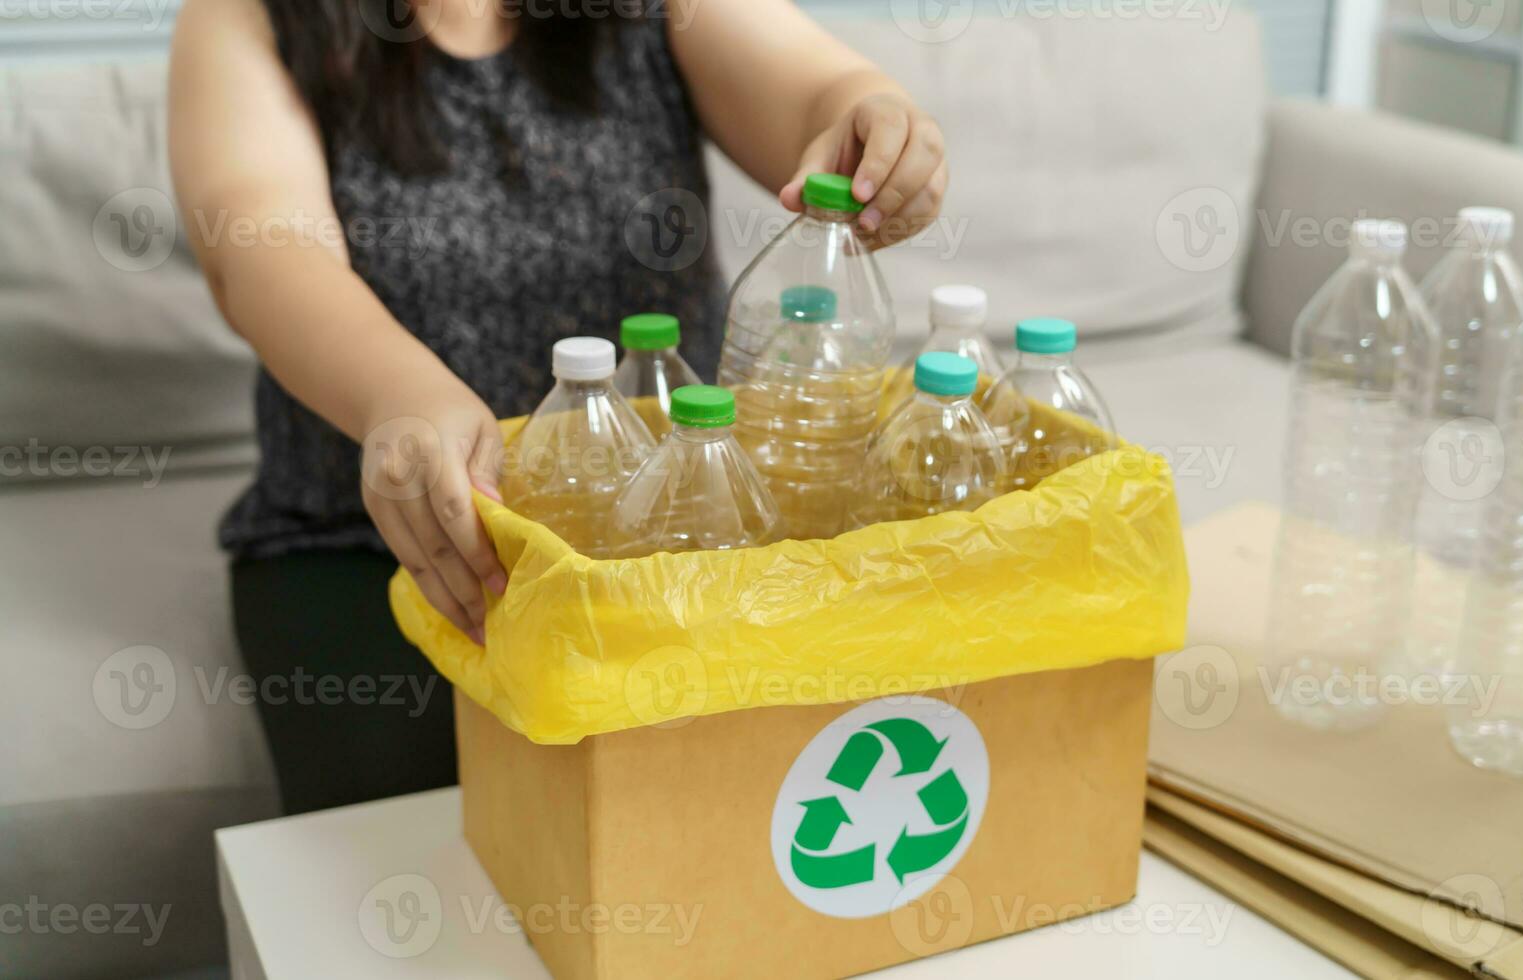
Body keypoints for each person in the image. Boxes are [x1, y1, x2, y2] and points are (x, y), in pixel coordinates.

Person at [168, 0, 948, 813]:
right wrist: (395, 395)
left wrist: (873, 128)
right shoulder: (250, 15)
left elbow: (816, 93)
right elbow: (257, 243)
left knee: (743, 800)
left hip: (672, 543)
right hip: (387, 547)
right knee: (431, 833)